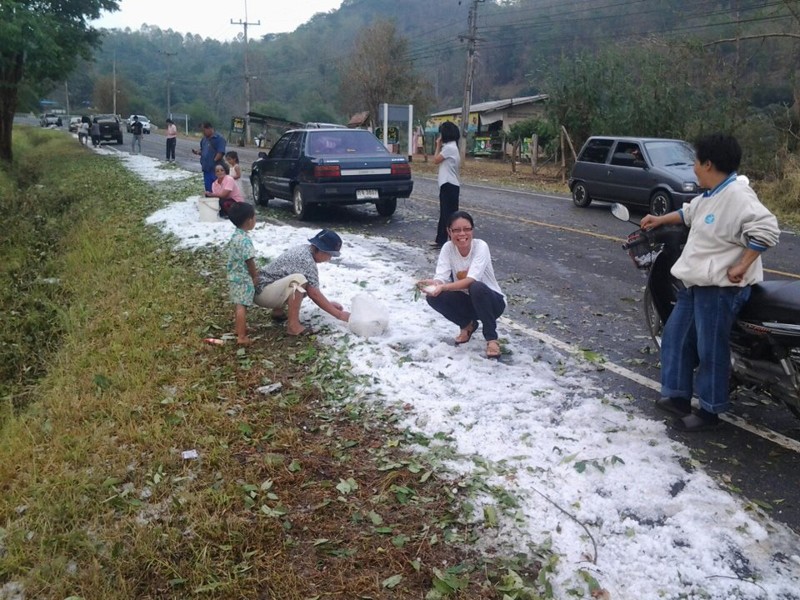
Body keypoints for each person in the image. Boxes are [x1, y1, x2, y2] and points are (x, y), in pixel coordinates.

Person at [640, 133, 780, 432]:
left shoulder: (738, 196)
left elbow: (767, 229)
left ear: (708, 164)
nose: (693, 168)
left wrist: (742, 265)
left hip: (720, 290)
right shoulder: (712, 194)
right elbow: (690, 213)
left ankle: (709, 411)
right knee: (675, 337)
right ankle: (677, 396)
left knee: (710, 350)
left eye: (695, 162)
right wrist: (659, 219)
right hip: (696, 284)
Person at [418, 211, 506, 359]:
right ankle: (467, 325)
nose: (462, 234)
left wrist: (443, 286)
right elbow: (441, 277)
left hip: (492, 303)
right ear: (449, 231)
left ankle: (492, 339)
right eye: (456, 230)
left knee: (476, 287)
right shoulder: (447, 248)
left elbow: (472, 279)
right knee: (433, 296)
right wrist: (434, 284)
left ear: (472, 230)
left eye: (467, 229)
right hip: (469, 304)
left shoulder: (481, 246)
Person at [254, 229, 350, 336]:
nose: (329, 259)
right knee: (299, 281)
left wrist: (328, 305)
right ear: (322, 250)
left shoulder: (305, 250)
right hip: (263, 293)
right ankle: (293, 326)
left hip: (263, 288)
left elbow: (311, 288)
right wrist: (339, 315)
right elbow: (314, 294)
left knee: (298, 282)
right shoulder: (306, 260)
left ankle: (278, 312)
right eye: (330, 255)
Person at [226, 203, 259, 345]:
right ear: (249, 221)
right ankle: (241, 337)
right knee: (242, 306)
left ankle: (239, 328)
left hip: (234, 275)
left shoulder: (235, 236)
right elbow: (249, 260)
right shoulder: (245, 240)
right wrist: (254, 275)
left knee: (239, 304)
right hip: (243, 277)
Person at [431, 121, 461, 249]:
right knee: (446, 214)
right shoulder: (452, 146)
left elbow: (435, 160)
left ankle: (449, 240)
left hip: (449, 184)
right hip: (450, 184)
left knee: (448, 215)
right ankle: (442, 240)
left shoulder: (449, 148)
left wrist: (438, 145)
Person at [192, 121, 226, 192]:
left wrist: (213, 162)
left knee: (217, 190)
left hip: (215, 170)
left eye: (204, 130)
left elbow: (220, 153)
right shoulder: (204, 139)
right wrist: (198, 152)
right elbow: (204, 150)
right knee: (208, 189)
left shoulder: (219, 139)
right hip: (206, 169)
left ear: (210, 128)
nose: (203, 133)